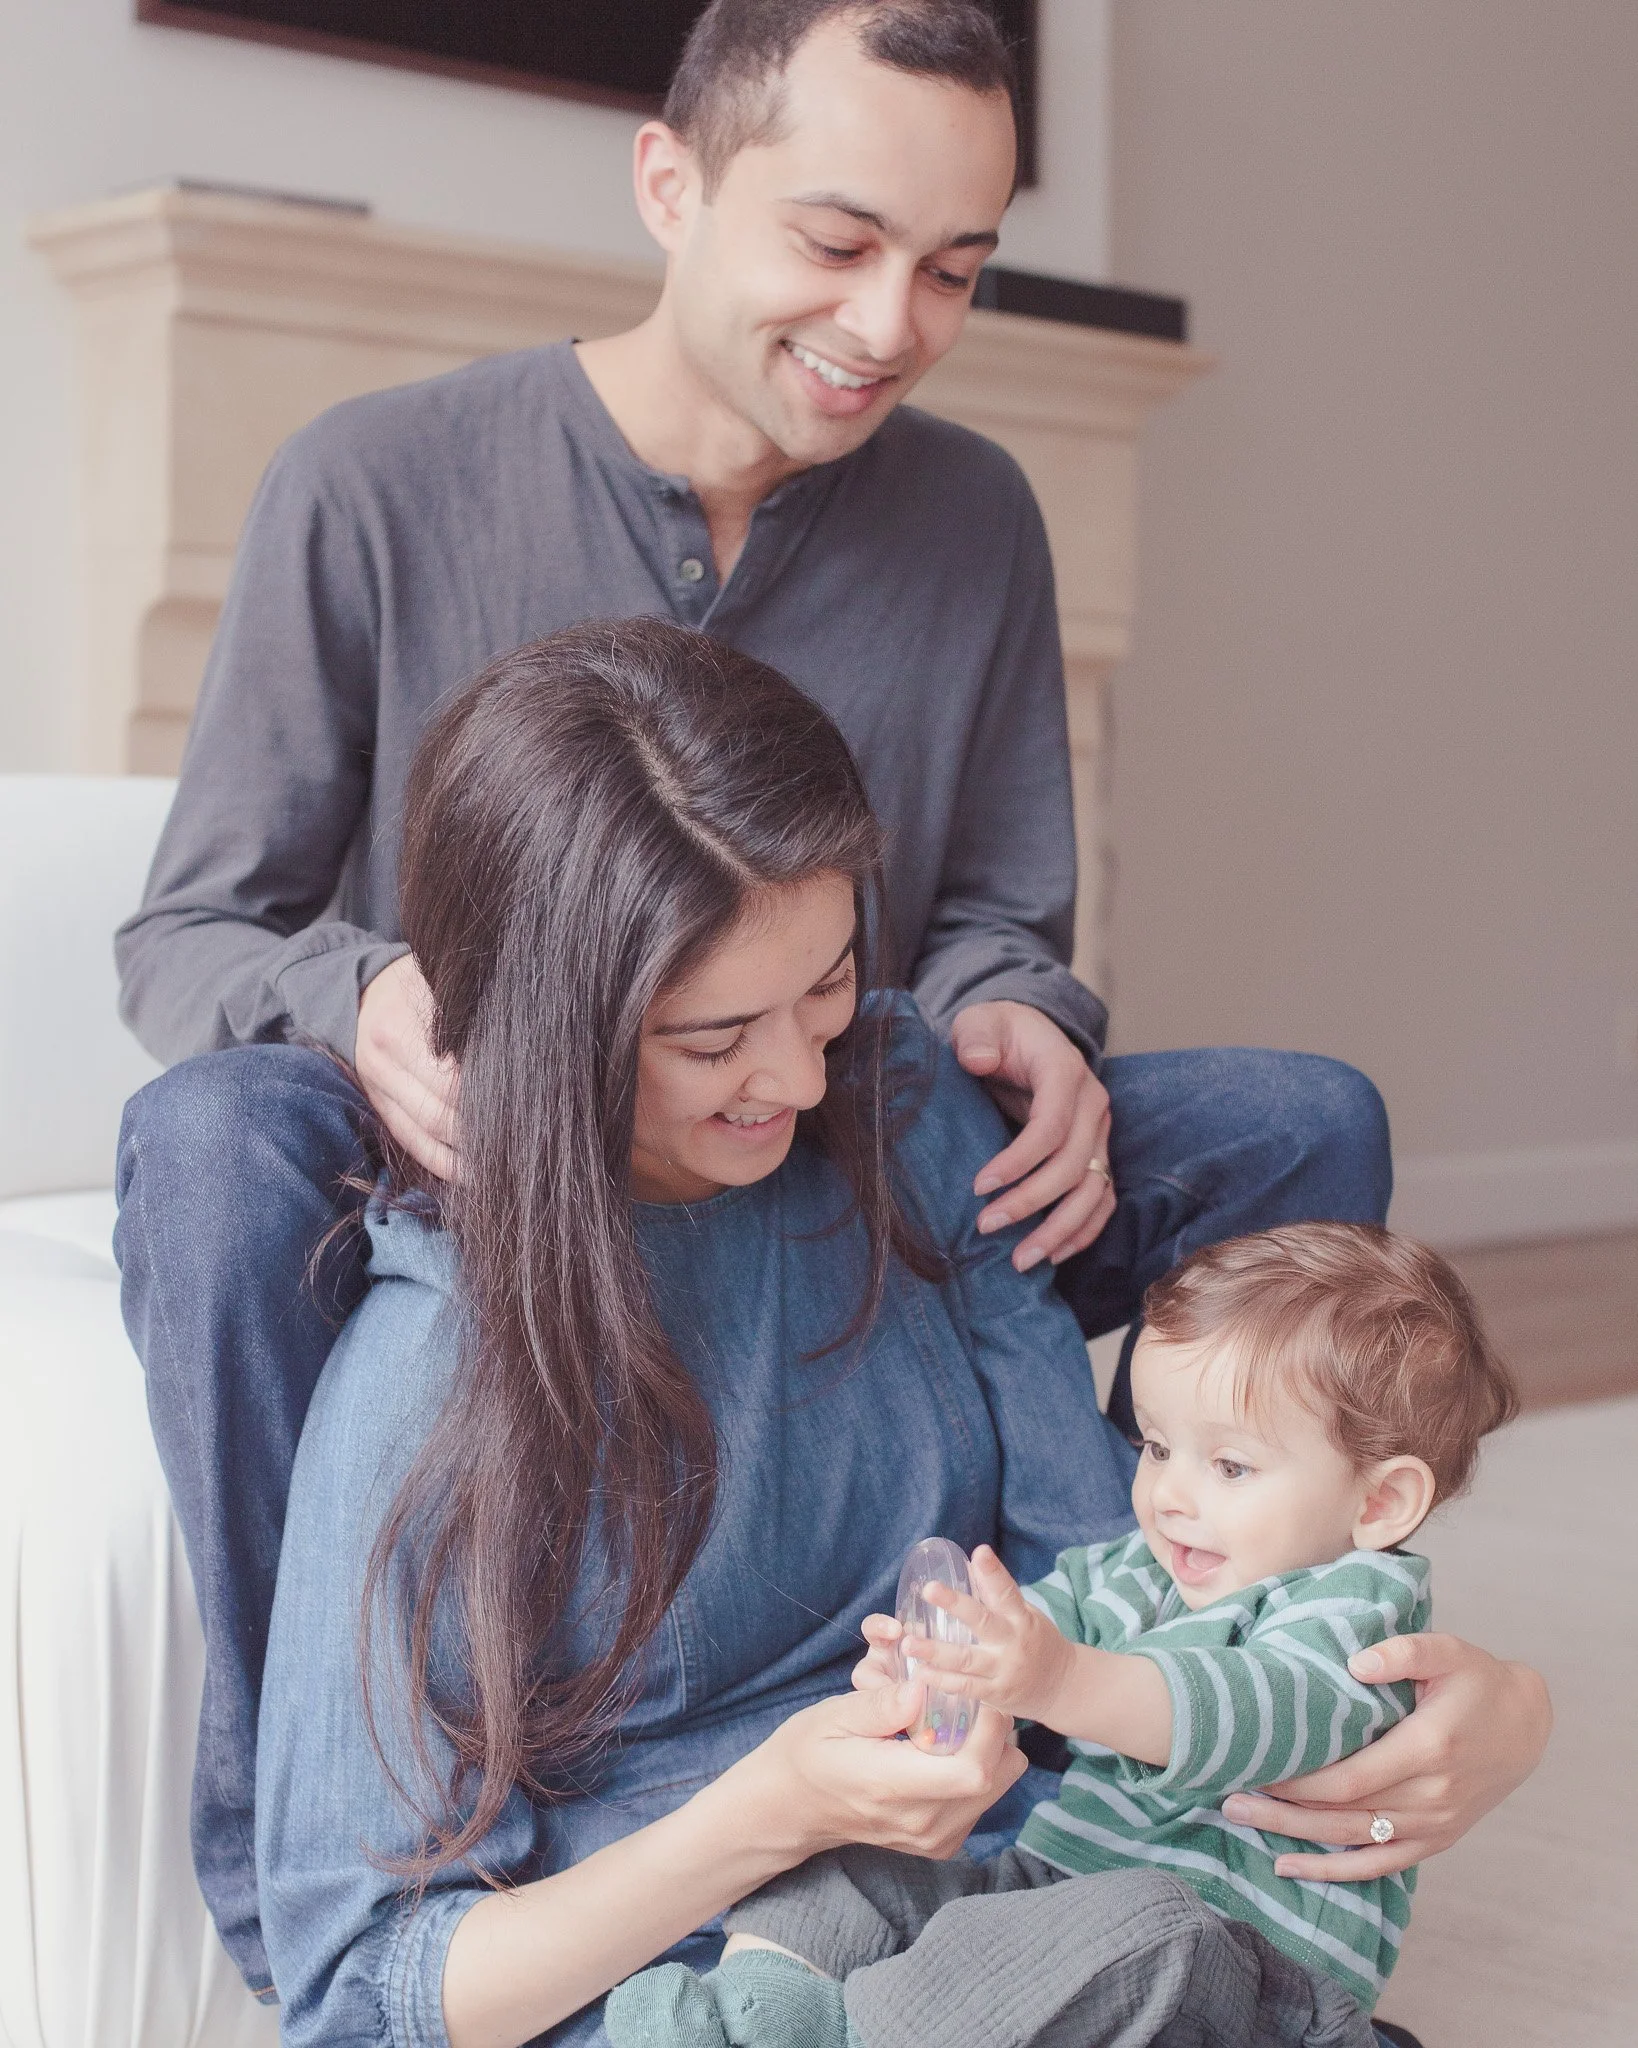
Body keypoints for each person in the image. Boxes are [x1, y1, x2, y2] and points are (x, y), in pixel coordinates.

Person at [111, 0, 1547, 2002]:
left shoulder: (972, 516)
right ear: (671, 182)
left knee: (1303, 1118)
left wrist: (1015, 1013)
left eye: (954, 266)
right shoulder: (376, 479)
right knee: (208, 1142)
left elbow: (997, 912)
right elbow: (188, 931)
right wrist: (364, 996)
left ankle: (1204, 1678)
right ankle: (335, 1877)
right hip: (467, 1121)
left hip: (864, 1102)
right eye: (839, 241)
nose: (891, 322)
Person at [253, 621, 1140, 2048]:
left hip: (998, 1903)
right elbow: (366, 1993)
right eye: (714, 1038)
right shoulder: (430, 1375)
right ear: (555, 1033)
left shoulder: (901, 1110)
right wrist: (773, 1811)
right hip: (681, 1984)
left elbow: (1108, 1591)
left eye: (826, 983)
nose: (799, 1075)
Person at [607, 1224, 1520, 2048]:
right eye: (1156, 1447)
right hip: (1050, 1887)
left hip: (1245, 1973)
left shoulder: (1358, 1607)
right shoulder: (1142, 1567)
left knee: (1147, 1926)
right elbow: (1040, 1627)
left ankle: (856, 2032)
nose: (1171, 1494)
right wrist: (953, 1663)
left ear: (1380, 1502)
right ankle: (760, 2012)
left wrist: (1060, 1681)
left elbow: (1250, 1712)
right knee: (851, 1865)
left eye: (1230, 1465)